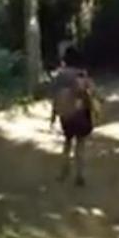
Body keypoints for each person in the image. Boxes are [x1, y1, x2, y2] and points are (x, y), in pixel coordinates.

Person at [49, 46, 97, 186]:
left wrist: (53, 116)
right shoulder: (82, 74)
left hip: (66, 115)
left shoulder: (60, 76)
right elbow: (92, 93)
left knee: (67, 143)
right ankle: (80, 174)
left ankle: (64, 170)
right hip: (81, 113)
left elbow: (55, 98)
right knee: (81, 144)